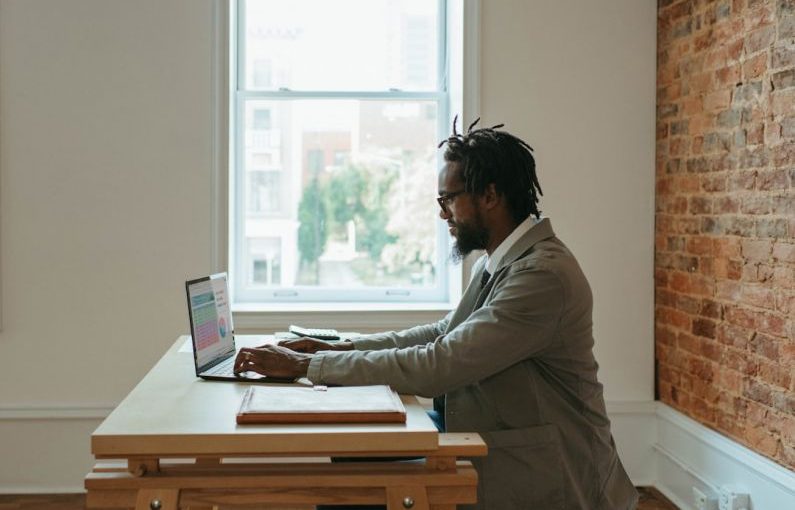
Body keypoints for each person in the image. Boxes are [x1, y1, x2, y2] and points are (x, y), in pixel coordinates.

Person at [234, 119, 638, 510]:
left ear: (490, 196)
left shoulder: (542, 276)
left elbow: (441, 364)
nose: (443, 213)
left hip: (549, 475)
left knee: (352, 489)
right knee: (351, 462)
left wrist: (310, 365)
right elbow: (444, 333)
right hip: (493, 437)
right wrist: (339, 345)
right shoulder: (500, 261)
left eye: (448, 199)